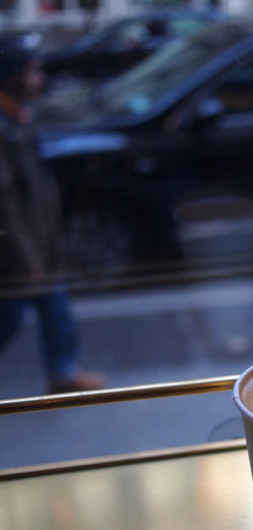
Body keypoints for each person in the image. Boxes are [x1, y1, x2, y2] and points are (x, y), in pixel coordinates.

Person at [0, 37, 105, 394]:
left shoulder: (15, 116)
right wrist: (27, 257)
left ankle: (64, 371)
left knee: (54, 307)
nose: (40, 79)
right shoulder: (4, 125)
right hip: (21, 251)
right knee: (9, 317)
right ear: (11, 76)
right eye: (33, 72)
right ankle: (63, 371)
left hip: (38, 244)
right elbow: (5, 203)